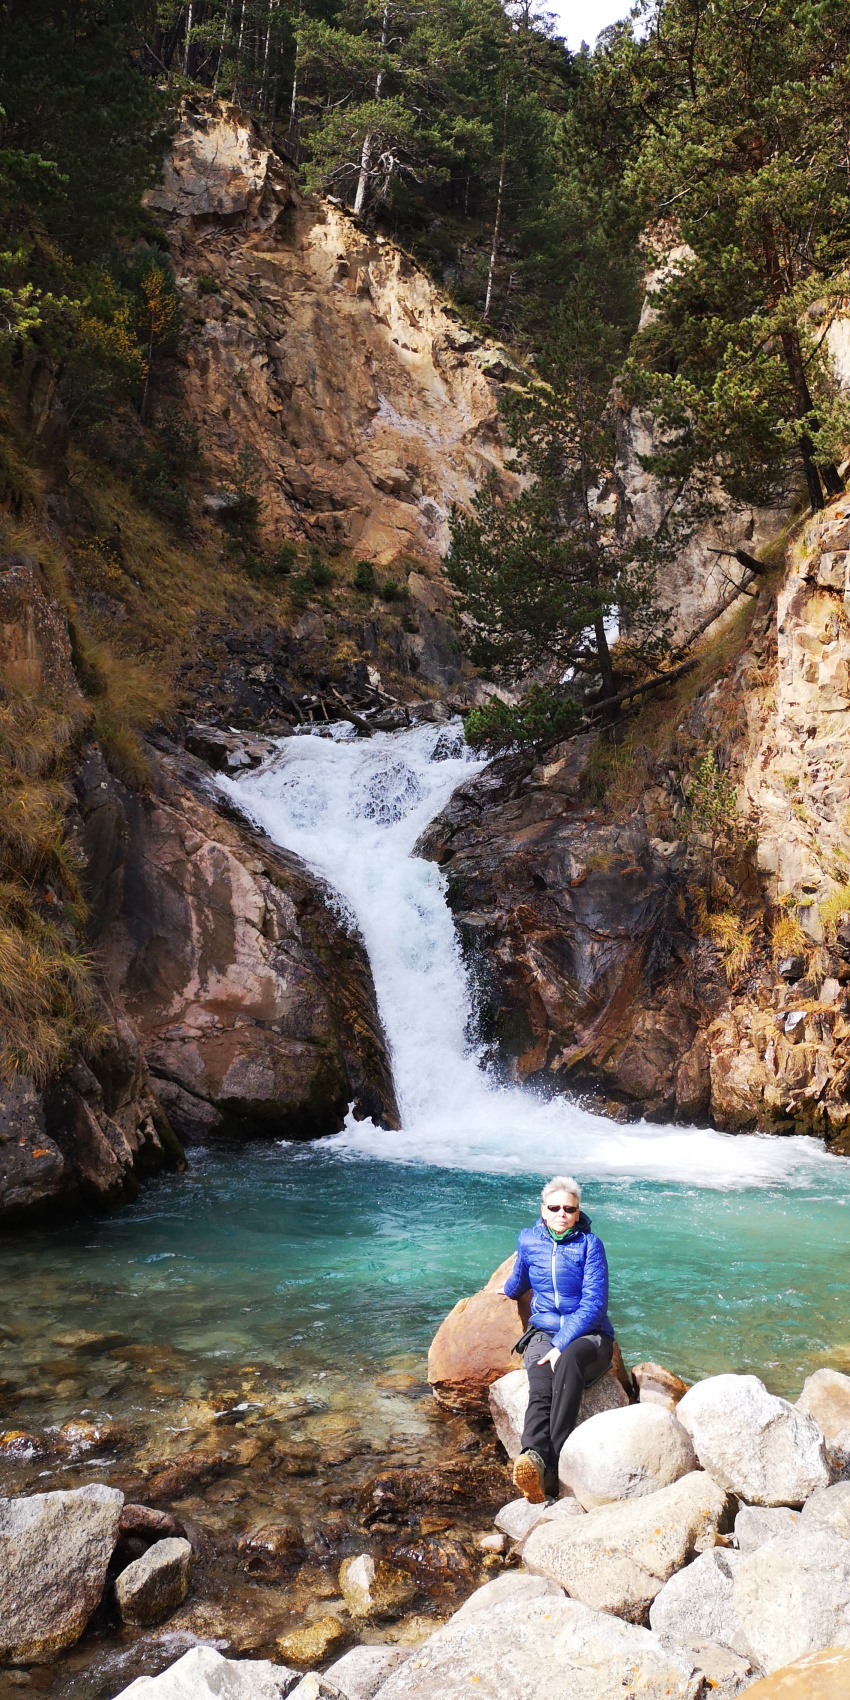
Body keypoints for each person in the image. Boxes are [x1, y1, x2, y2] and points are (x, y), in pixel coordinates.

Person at [498, 1174, 614, 1503]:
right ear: (543, 1211)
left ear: (577, 1214)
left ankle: (555, 1464)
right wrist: (504, 1292)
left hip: (590, 1335)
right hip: (543, 1331)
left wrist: (561, 1343)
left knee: (567, 1362)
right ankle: (533, 1459)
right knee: (540, 1385)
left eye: (569, 1209)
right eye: (555, 1207)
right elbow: (520, 1279)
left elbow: (594, 1305)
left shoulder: (590, 1245)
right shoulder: (528, 1240)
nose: (562, 1213)